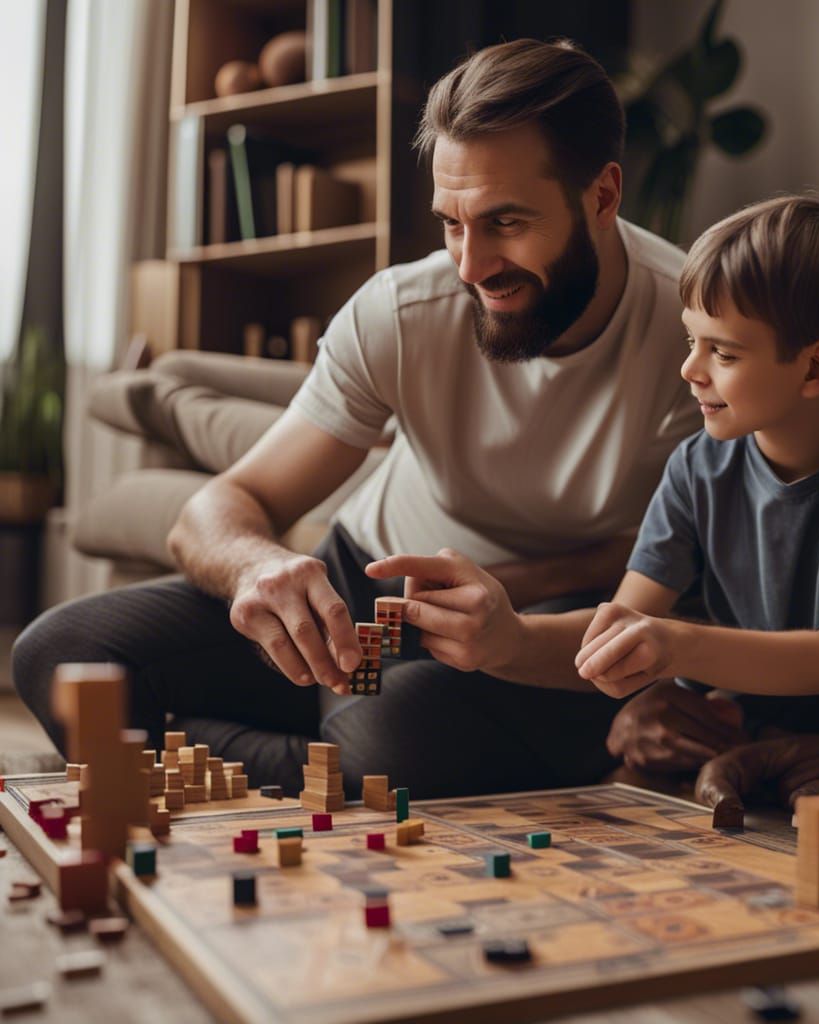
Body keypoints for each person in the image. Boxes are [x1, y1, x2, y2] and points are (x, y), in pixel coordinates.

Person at [12, 39, 702, 796]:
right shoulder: (404, 310)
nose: (470, 268)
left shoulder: (698, 334)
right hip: (362, 585)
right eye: (451, 223)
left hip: (546, 630)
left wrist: (522, 581)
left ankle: (242, 762)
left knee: (393, 740)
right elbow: (215, 511)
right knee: (60, 655)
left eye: (505, 222)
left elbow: (690, 558)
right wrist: (261, 568)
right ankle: (325, 773)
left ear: (602, 197)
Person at [368, 196, 819, 857]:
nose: (690, 369)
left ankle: (815, 770)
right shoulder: (698, 465)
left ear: (816, 368)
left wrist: (674, 646)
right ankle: (777, 763)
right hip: (753, 726)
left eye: (723, 352)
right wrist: (505, 635)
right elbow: (621, 623)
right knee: (617, 812)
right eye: (691, 341)